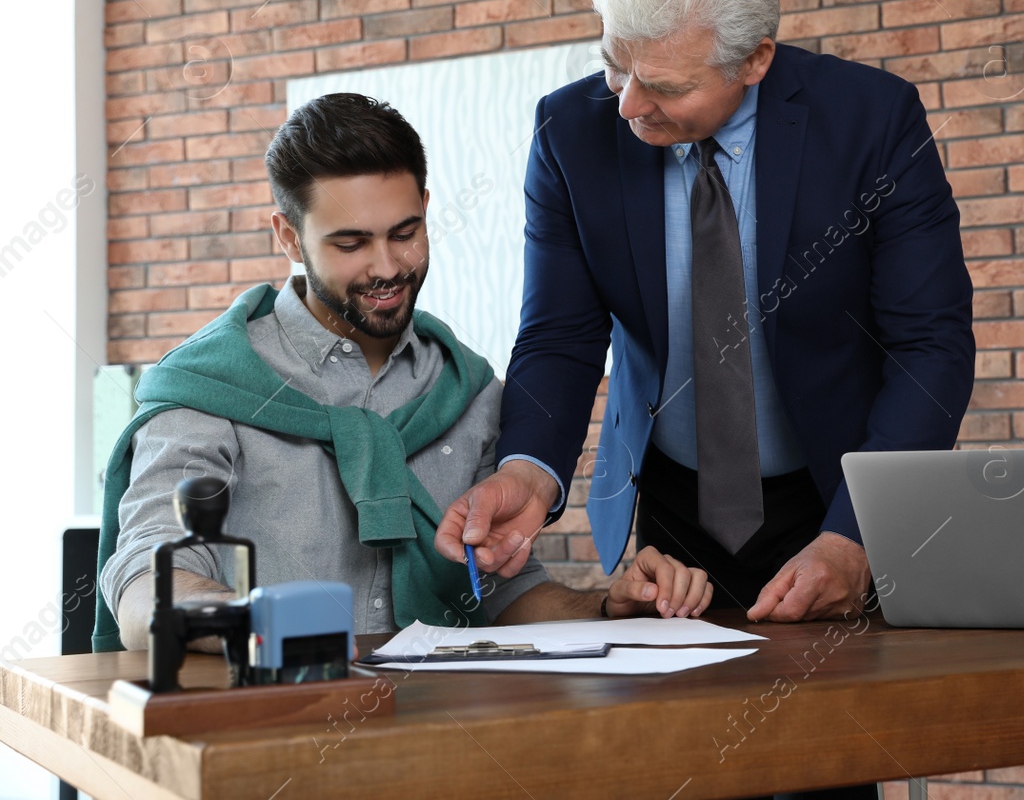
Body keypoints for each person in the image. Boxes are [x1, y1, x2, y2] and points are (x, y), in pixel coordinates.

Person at [436, 0, 974, 633]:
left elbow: (929, 347)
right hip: (674, 515)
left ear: (754, 59)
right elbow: (559, 334)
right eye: (614, 65)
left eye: (663, 85)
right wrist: (526, 471)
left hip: (841, 501)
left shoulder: (872, 122)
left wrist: (857, 536)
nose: (627, 104)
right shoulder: (570, 134)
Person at [93, 93, 711, 654]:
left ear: (426, 211)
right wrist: (264, 624)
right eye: (350, 243)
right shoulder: (210, 389)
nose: (387, 267)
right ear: (288, 237)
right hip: (266, 736)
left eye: (405, 233)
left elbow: (502, 595)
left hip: (436, 741)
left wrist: (611, 608)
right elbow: (148, 579)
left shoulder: (468, 392)